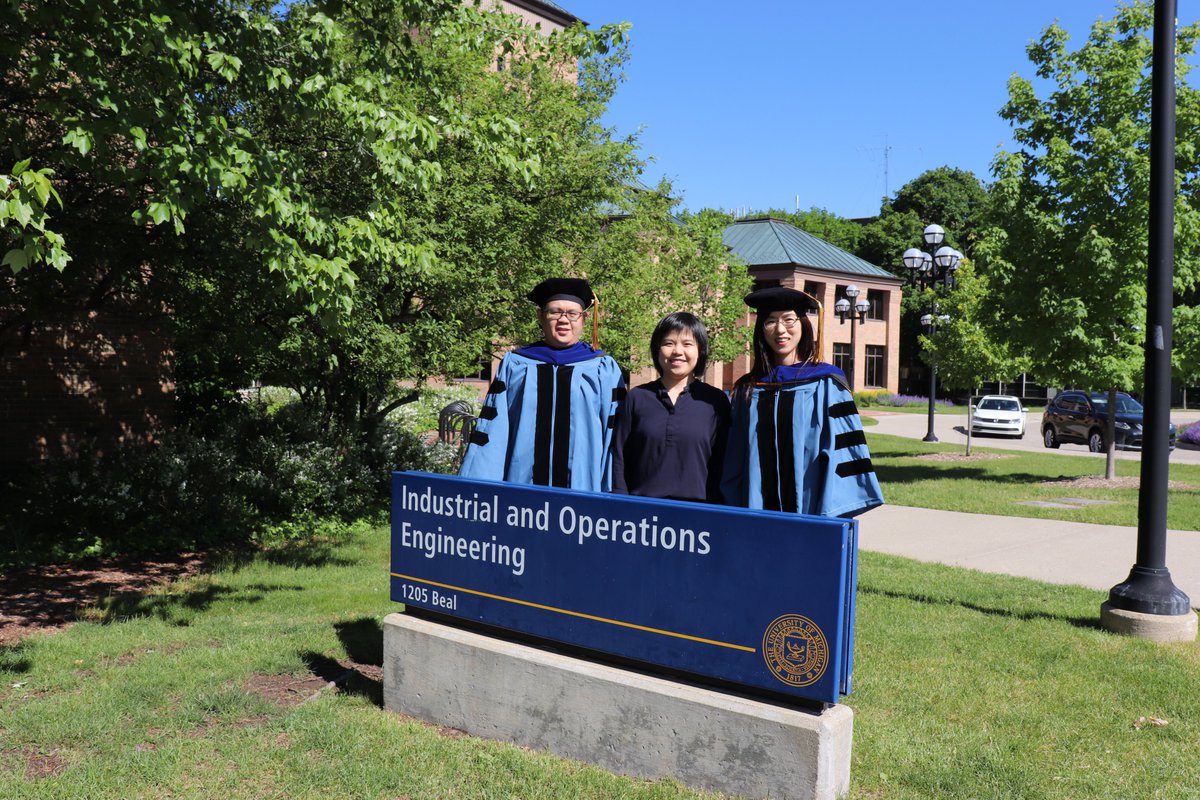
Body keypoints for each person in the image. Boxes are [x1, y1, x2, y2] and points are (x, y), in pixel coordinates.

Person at [721, 286, 883, 517]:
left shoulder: (827, 384)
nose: (780, 330)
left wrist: (829, 514)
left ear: (803, 325)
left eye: (789, 320)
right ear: (761, 329)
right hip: (754, 513)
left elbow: (842, 453)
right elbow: (734, 458)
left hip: (812, 509)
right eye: (770, 321)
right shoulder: (748, 389)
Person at [459, 277, 624, 491]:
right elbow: (494, 428)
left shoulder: (603, 368)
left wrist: (613, 491)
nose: (564, 320)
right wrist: (479, 488)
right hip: (521, 489)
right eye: (555, 312)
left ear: (584, 319)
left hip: (583, 489)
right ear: (540, 316)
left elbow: (614, 436)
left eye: (573, 314)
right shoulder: (515, 364)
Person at [611, 312, 730, 503]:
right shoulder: (637, 398)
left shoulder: (714, 402)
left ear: (700, 350)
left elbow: (723, 462)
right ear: (657, 349)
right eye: (669, 343)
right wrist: (621, 503)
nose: (677, 351)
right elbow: (619, 457)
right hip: (641, 513)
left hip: (700, 514)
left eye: (687, 344)